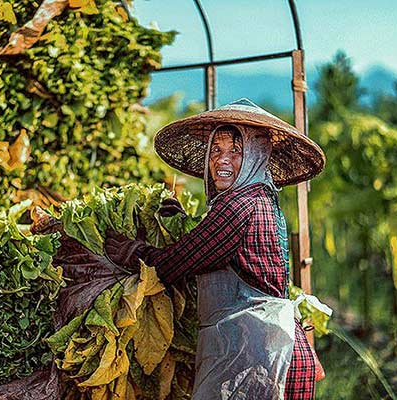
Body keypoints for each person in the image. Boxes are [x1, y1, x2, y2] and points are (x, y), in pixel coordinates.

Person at [104, 98, 327, 400]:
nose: (223, 160)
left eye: (236, 152)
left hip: (267, 358)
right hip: (266, 350)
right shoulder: (257, 199)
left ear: (255, 158)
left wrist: (129, 251)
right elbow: (209, 247)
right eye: (216, 151)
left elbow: (174, 264)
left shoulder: (240, 206)